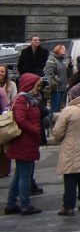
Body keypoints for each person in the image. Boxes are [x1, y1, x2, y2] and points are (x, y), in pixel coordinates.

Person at [51, 82, 80, 216]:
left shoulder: (68, 110)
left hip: (71, 149)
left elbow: (58, 132)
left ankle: (69, 206)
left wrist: (57, 139)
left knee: (70, 178)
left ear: (73, 96)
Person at [4, 73, 43, 215]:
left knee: (19, 174)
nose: (39, 87)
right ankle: (25, 204)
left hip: (24, 141)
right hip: (24, 141)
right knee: (25, 175)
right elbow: (21, 120)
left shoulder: (27, 99)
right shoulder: (22, 99)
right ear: (30, 85)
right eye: (37, 84)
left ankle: (11, 204)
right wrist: (35, 130)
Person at [43, 43, 70, 116]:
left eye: (65, 49)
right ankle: (50, 121)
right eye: (62, 48)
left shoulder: (63, 61)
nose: (64, 50)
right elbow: (48, 72)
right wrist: (55, 79)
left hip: (62, 88)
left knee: (58, 109)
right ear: (57, 50)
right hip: (56, 88)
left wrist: (70, 67)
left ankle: (55, 121)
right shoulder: (52, 59)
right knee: (54, 109)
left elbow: (66, 74)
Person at [0, 64, 16, 178]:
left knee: (4, 146)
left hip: (5, 117)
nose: (0, 74)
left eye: (2, 72)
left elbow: (13, 101)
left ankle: (4, 170)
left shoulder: (11, 85)